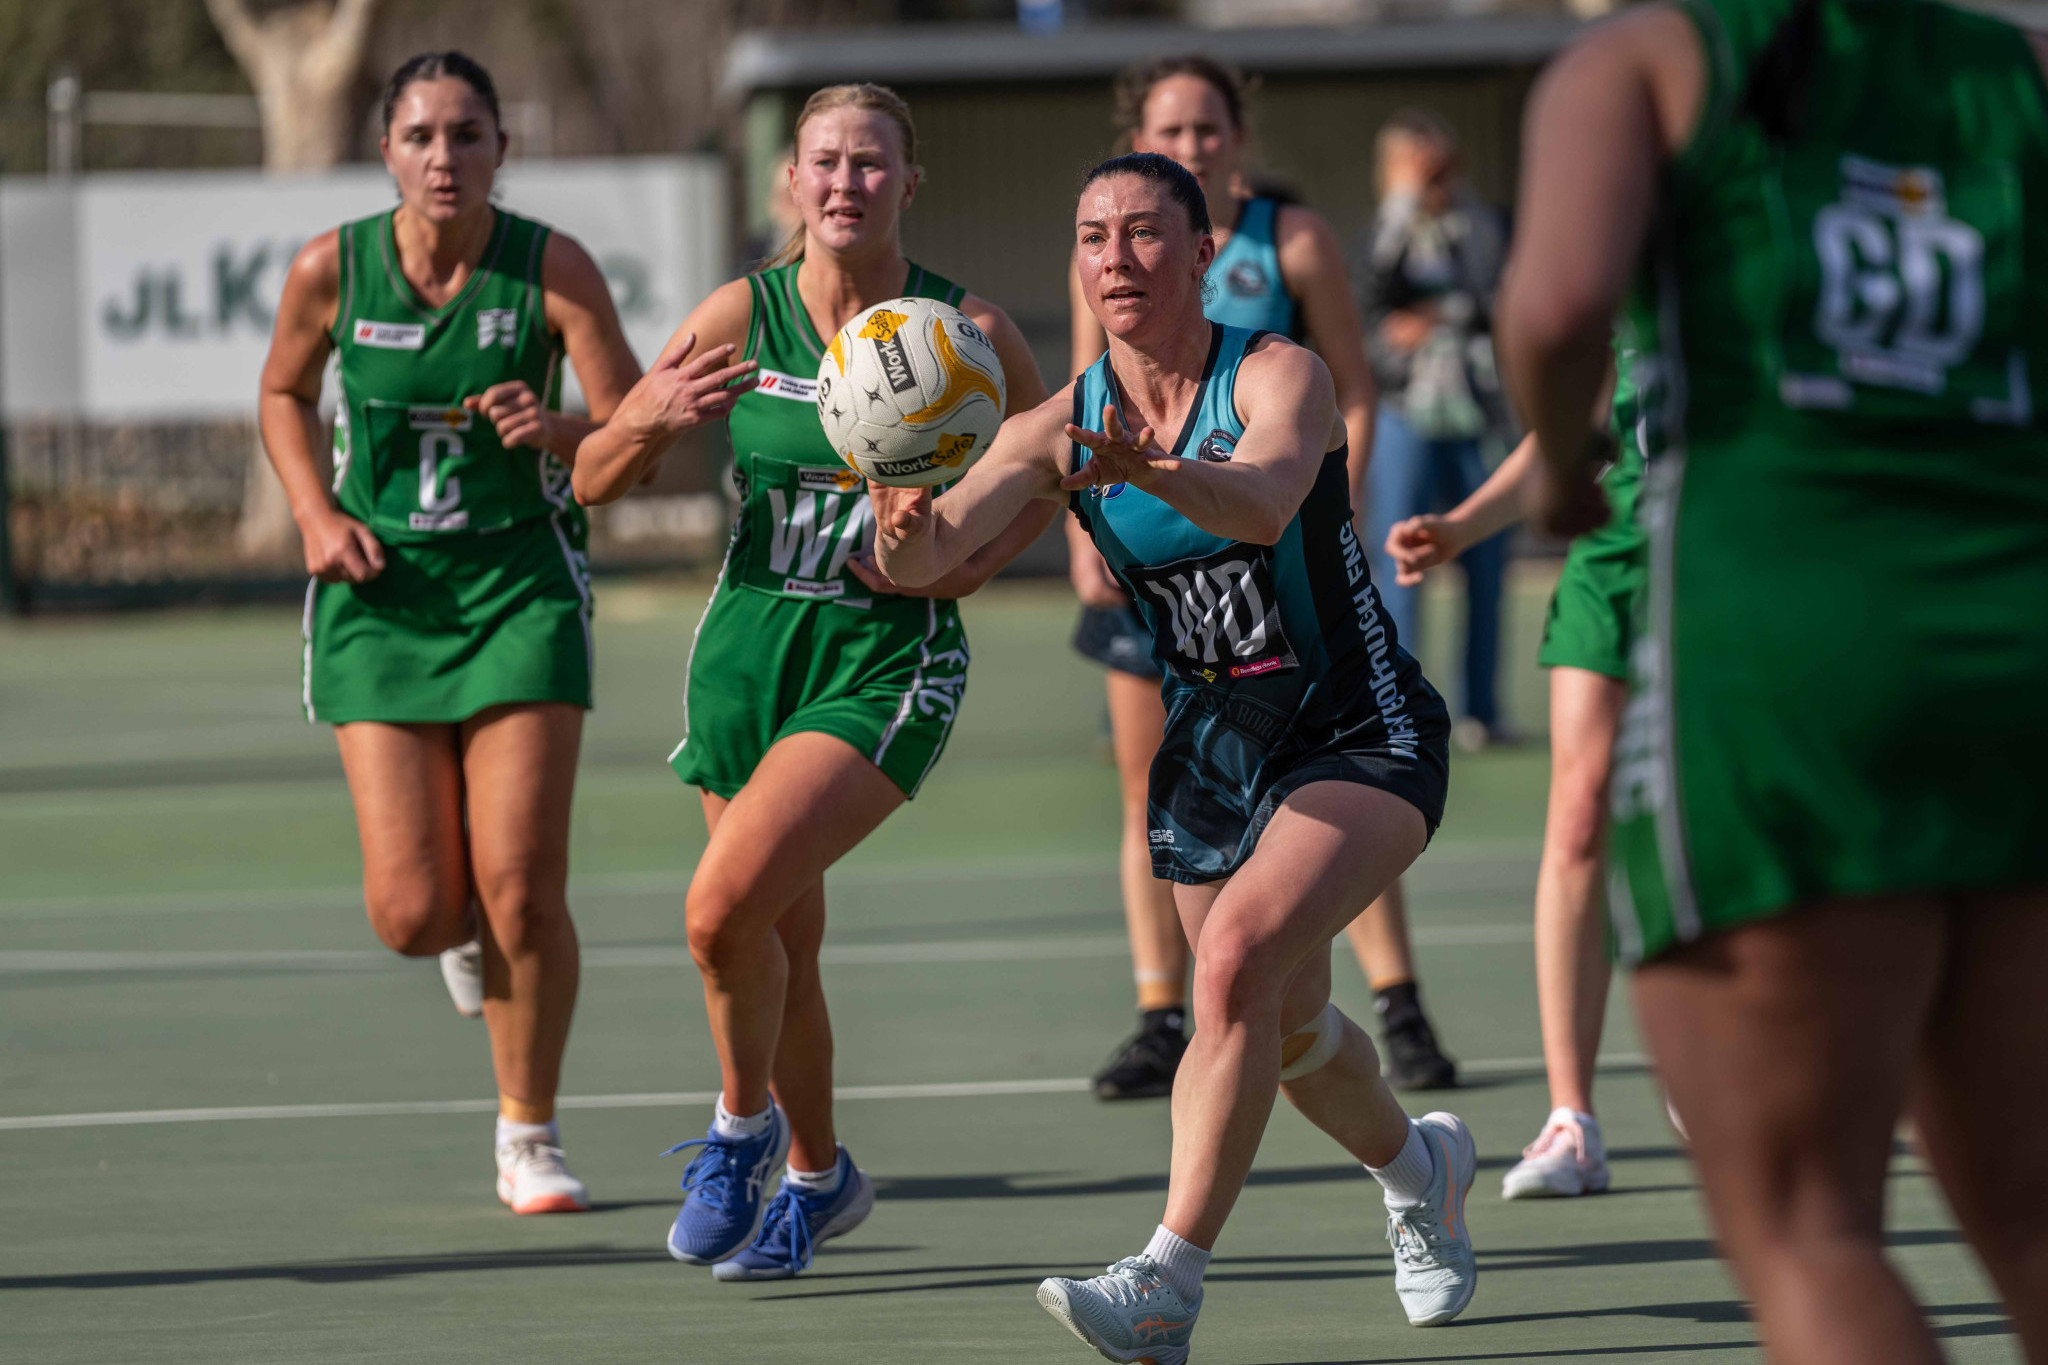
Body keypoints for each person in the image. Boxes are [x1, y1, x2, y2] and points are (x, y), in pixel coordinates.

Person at [1501, 0, 2048, 1358]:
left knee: (1812, 1226)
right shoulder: (2010, 63)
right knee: (2033, 1217)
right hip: (2017, 631)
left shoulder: (1647, 61)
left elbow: (1560, 305)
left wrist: (1564, 466)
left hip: (1788, 650)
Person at [875, 152, 1477, 1361]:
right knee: (1286, 1026)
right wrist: (897, 522)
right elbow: (930, 558)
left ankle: (1164, 1284)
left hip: (1355, 729)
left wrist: (1148, 468)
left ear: (1205, 254)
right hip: (1215, 752)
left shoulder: (1274, 373)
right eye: (1095, 236)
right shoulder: (1057, 425)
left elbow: (1260, 502)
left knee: (1234, 966)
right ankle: (1421, 1172)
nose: (1116, 258)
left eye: (1146, 233)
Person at [573, 83, 1055, 1282]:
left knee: (714, 913)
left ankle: (740, 1133)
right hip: (744, 654)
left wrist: (948, 569)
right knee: (775, 938)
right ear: (788, 182)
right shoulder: (743, 311)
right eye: (824, 163)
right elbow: (588, 477)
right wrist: (647, 419)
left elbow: (1048, 480)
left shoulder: (967, 335)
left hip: (878, 660)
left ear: (908, 180)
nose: (845, 184)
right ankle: (818, 1179)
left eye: (870, 163)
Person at [257, 52, 646, 1214]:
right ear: (386, 152)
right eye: (421, 136)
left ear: (500, 151)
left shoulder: (550, 267)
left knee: (522, 886)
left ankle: (527, 1133)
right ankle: (454, 937)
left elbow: (636, 429)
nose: (444, 157)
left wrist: (561, 426)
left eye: (468, 134)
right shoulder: (333, 267)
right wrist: (315, 516)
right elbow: (281, 393)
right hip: (382, 597)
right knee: (415, 911)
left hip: (519, 589)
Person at [1067, 54, 1457, 1100]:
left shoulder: (1287, 241)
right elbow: (1081, 405)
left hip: (1273, 545)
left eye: (1205, 130)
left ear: (1236, 139)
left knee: (1324, 788)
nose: (1189, 147)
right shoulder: (1113, 257)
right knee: (1160, 788)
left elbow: (1351, 391)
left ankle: (1397, 995)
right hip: (1156, 557)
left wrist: (1342, 501)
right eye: (1168, 133)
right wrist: (1074, 529)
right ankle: (1160, 1007)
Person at [1384, 348, 1641, 1197]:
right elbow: (1566, 436)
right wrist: (1461, 524)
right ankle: (1573, 1120)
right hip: (1618, 557)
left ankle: (1719, 1041)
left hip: (1740, 565)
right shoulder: (1627, 284)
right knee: (1577, 815)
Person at [1355, 110, 1512, 751]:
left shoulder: (1481, 225)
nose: (1433, 180)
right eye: (1418, 167)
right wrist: (1403, 199)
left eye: (1440, 165)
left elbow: (1497, 297)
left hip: (1476, 416)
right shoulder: (1384, 231)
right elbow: (1370, 293)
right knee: (1403, 561)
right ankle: (1402, 706)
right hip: (1405, 416)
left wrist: (1434, 313)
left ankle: (1483, 709)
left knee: (1489, 560)